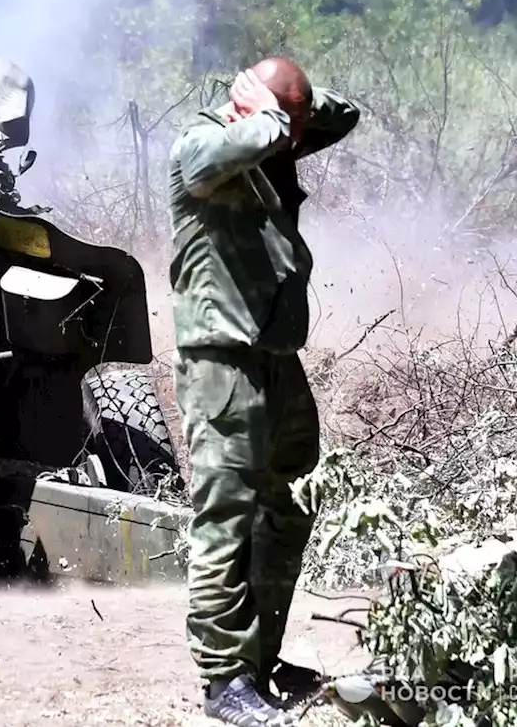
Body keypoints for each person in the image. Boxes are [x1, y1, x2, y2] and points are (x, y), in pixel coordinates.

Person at [167, 57, 361, 725]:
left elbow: (345, 114)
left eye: (294, 129)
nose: (295, 140)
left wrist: (286, 108)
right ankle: (224, 681)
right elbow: (213, 159)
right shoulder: (202, 143)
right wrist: (266, 117)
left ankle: (260, 656)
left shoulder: (277, 138)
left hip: (276, 359)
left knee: (292, 500)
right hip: (222, 361)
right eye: (287, 127)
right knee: (226, 516)